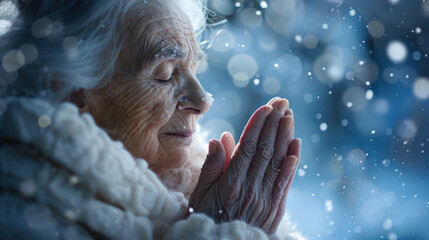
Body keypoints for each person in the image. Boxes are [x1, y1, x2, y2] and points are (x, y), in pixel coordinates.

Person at [0, 0, 304, 239]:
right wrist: (226, 230)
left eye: (194, 70)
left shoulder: (200, 187)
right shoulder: (21, 214)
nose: (203, 101)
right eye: (165, 75)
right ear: (70, 90)